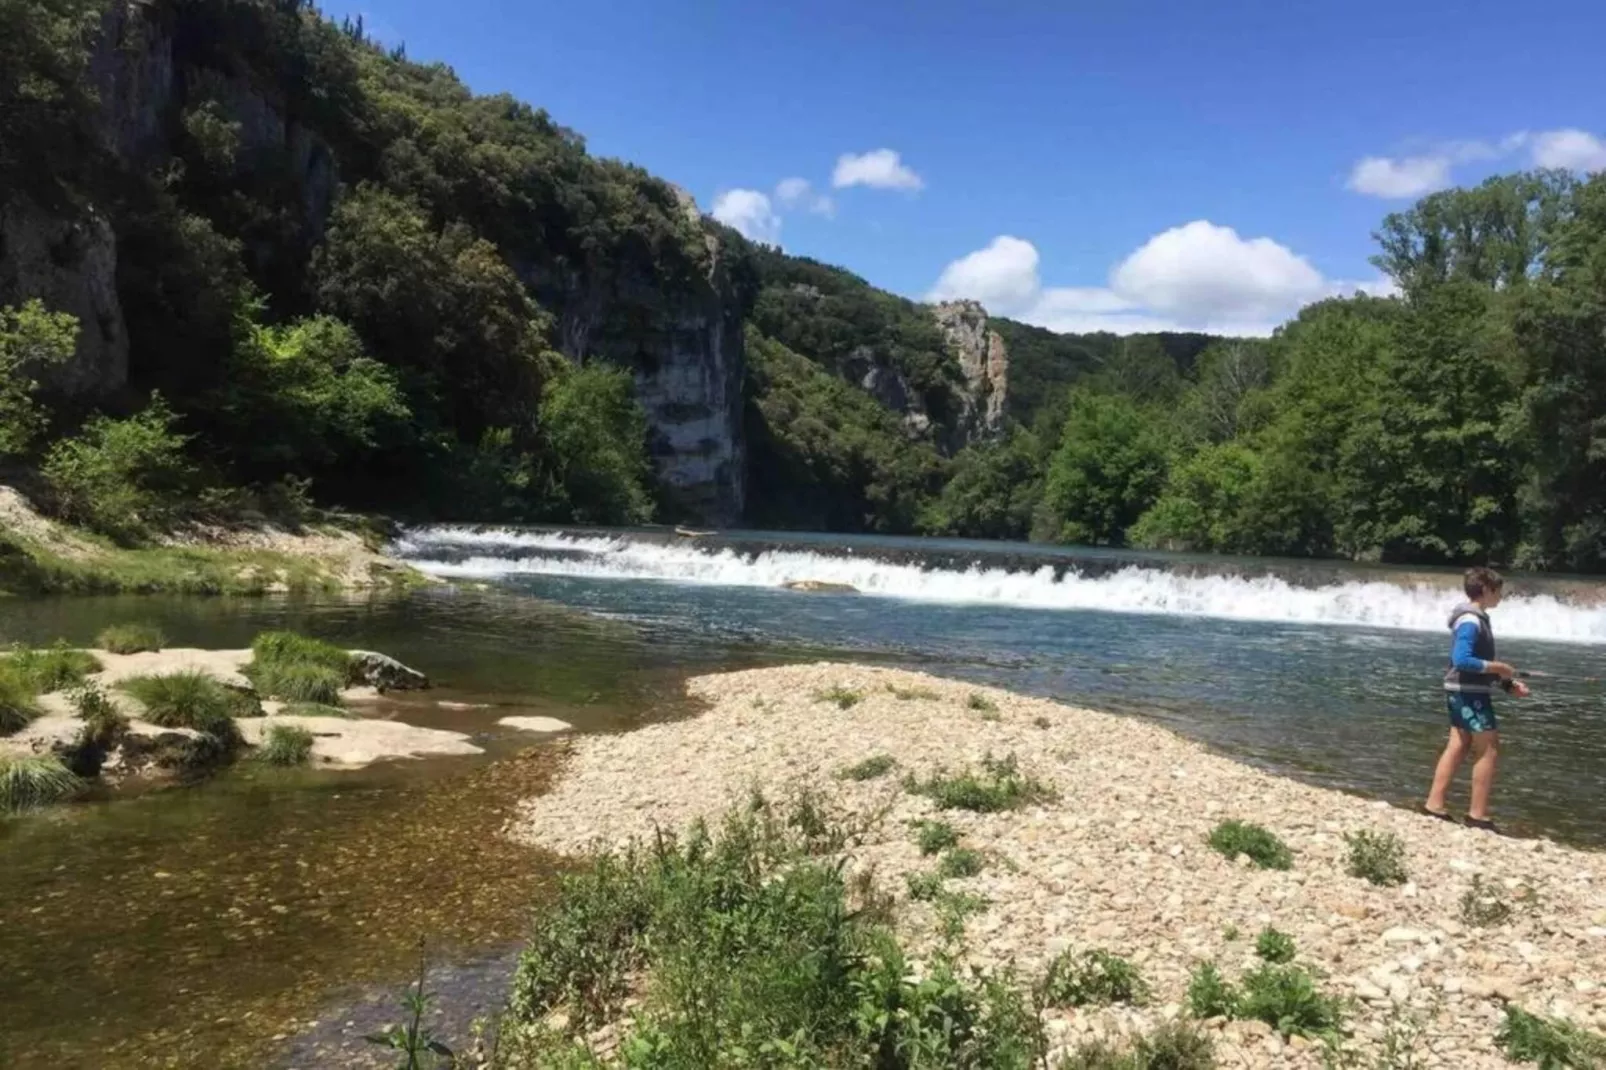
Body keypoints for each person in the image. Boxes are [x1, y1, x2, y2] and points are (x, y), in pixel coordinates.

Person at [1423, 567, 1529, 830]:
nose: (1500, 597)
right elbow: (1463, 660)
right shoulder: (1471, 621)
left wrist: (1507, 684)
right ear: (1485, 590)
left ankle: (1434, 806)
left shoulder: (1472, 618)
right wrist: (1500, 668)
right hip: (1467, 692)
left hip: (1463, 689)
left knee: (1458, 744)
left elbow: (1474, 665)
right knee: (1488, 747)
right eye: (1498, 591)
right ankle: (1477, 816)